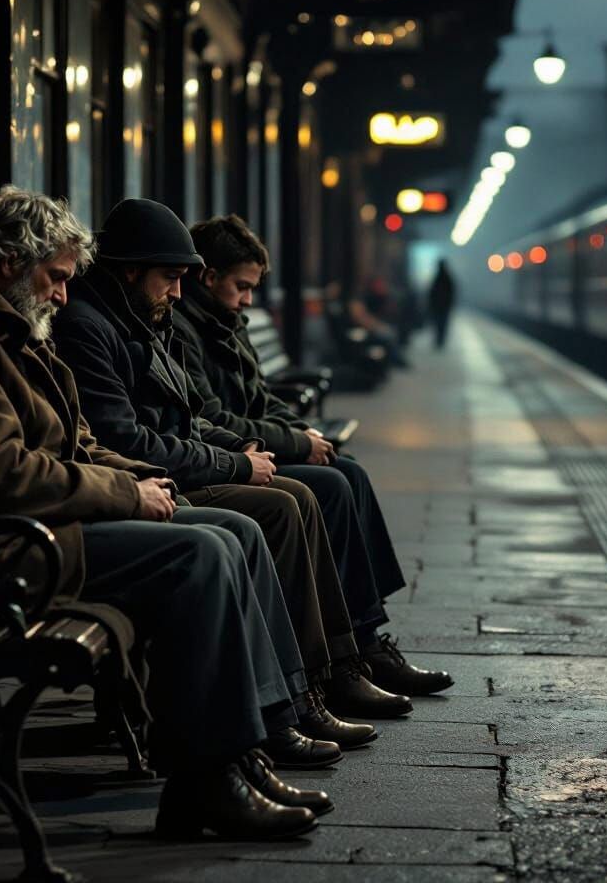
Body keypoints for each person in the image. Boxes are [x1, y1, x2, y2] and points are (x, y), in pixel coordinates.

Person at [0, 186, 332, 840]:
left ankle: (251, 745)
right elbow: (5, 474)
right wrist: (127, 495)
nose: (62, 295)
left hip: (25, 532)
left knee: (235, 530)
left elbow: (73, 443)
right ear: (7, 261)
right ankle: (205, 780)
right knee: (200, 553)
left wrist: (138, 479)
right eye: (55, 278)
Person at [53, 198, 398, 740]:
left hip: (151, 475)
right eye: (169, 278)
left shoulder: (137, 317)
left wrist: (250, 449)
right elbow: (123, 438)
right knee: (283, 507)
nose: (176, 291)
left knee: (311, 490)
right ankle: (291, 699)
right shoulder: (89, 327)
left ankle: (324, 673)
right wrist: (236, 461)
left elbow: (190, 417)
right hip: (136, 486)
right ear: (129, 271)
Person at [177, 215, 453, 700]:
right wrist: (297, 443)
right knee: (329, 485)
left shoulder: (225, 321)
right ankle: (345, 659)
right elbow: (213, 417)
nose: (247, 300)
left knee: (348, 471)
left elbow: (261, 399)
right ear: (208, 276)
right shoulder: (185, 331)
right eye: (241, 287)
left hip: (251, 446)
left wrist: (303, 430)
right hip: (229, 454)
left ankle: (365, 641)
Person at [428, 259, 456, 349]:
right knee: (442, 324)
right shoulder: (448, 278)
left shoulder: (437, 278)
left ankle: (439, 340)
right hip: (444, 307)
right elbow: (452, 293)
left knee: (438, 324)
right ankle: (440, 340)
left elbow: (431, 292)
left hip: (438, 306)